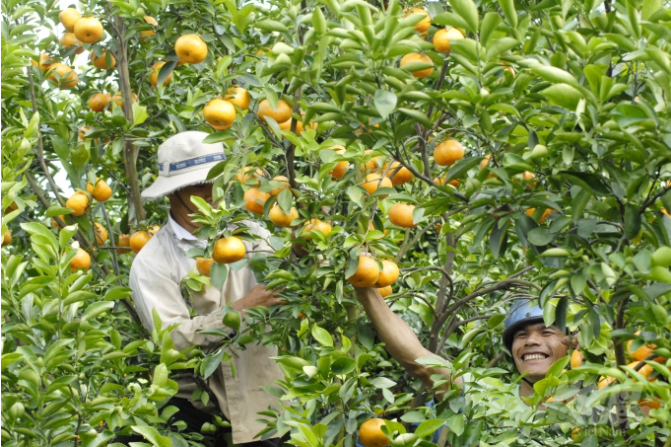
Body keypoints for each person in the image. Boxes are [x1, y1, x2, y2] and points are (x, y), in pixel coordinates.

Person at [125, 131, 284, 446]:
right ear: (175, 191)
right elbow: (171, 340)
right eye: (201, 184)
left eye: (216, 180)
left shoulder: (254, 235)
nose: (211, 191)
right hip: (197, 410)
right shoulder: (152, 262)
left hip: (264, 402)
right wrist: (238, 312)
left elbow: (291, 285)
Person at [353, 287, 570, 400]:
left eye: (546, 332)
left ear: (573, 342)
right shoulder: (487, 397)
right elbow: (419, 361)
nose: (531, 341)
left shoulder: (595, 405)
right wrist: (367, 291)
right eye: (521, 335)